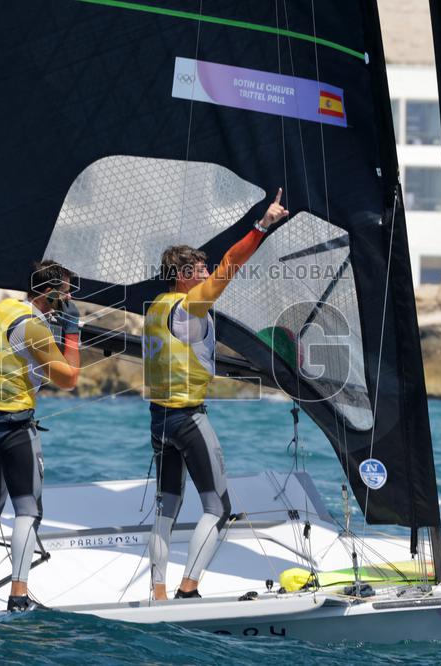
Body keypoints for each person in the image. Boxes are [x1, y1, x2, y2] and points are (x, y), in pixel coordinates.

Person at [144, 189, 290, 601]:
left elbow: (181, 354)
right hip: (188, 420)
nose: (208, 272)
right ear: (184, 274)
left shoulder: (157, 306)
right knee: (218, 508)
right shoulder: (190, 306)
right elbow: (231, 264)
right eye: (200, 268)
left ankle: (157, 593)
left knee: (166, 509)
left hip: (158, 421)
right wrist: (263, 225)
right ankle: (187, 590)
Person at [0, 260, 82, 613]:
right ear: (51, 293)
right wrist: (72, 331)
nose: (71, 297)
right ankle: (18, 595)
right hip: (13, 426)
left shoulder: (1, 310)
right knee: (28, 510)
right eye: (67, 291)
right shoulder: (34, 327)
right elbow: (69, 378)